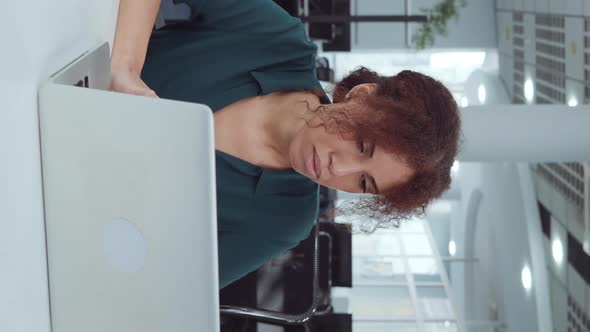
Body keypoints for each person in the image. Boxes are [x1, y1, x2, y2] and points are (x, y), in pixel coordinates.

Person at [110, 0, 461, 288]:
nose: (339, 169)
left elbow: (170, 287)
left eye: (363, 182)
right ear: (361, 95)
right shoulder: (279, 41)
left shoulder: (286, 217)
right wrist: (125, 69)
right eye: (362, 146)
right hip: (68, 67)